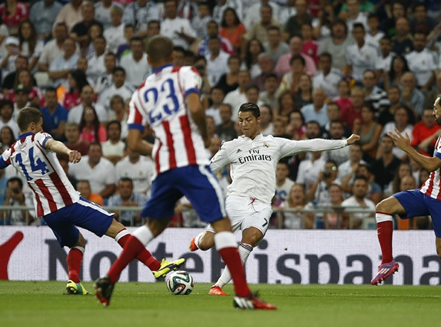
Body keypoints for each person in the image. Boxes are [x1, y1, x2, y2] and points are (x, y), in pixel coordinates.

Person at [94, 35, 276, 310]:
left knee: (152, 227)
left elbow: (132, 143)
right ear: (172, 56)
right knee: (222, 225)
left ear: (148, 59)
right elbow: (194, 107)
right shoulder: (185, 74)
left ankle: (110, 278)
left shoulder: (140, 93)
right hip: (191, 162)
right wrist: (202, 136)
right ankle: (242, 295)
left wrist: (159, 150)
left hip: (164, 167)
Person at [188, 101, 360, 296]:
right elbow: (208, 170)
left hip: (261, 205)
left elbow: (309, 145)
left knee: (250, 239)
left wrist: (343, 142)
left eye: (248, 120)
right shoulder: (230, 147)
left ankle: (217, 286)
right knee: (206, 244)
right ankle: (200, 239)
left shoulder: (275, 143)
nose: (244, 124)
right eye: (241, 120)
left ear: (258, 120)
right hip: (235, 201)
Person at [0, 107, 176, 295]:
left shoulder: (10, 151)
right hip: (69, 203)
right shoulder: (38, 137)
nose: (43, 129)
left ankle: (73, 281)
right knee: (117, 229)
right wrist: (68, 151)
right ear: (33, 125)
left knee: (78, 242)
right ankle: (156, 266)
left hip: (48, 213)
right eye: (41, 126)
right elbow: (53, 143)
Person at [372, 91, 441, 299]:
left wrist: (407, 148)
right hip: (427, 192)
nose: (433, 112)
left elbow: (432, 164)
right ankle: (387, 261)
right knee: (383, 207)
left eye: (435, 108)